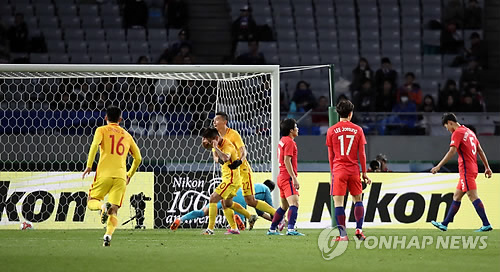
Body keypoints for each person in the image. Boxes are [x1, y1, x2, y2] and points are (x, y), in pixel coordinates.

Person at [82, 106, 142, 246]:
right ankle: (108, 236)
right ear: (120, 119)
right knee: (113, 210)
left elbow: (94, 145)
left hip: (104, 174)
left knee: (92, 201)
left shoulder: (101, 130)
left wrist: (89, 165)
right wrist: (129, 174)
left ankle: (102, 206)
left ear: (105, 118)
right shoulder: (127, 135)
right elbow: (138, 158)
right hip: (121, 177)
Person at [430, 113, 493, 232]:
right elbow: (480, 150)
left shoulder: (457, 133)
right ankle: (444, 224)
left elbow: (452, 151)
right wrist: (487, 167)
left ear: (450, 122)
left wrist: (438, 166)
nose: (447, 130)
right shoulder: (469, 132)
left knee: (472, 196)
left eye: (446, 127)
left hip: (466, 170)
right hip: (472, 168)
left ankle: (486, 224)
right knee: (457, 196)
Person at [212, 112, 275, 229]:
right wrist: (219, 160)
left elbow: (243, 151)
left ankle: (277, 216)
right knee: (225, 202)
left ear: (224, 122)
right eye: (214, 120)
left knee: (250, 201)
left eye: (217, 120)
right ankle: (235, 227)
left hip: (243, 171)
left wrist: (240, 161)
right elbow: (214, 155)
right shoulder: (215, 137)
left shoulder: (233, 134)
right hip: (230, 174)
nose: (214, 122)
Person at [326, 99, 371, 241]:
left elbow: (331, 155)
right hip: (353, 170)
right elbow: (362, 154)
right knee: (358, 200)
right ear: (351, 114)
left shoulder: (331, 130)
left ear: (338, 113)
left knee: (338, 203)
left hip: (339, 169)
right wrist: (364, 173)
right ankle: (359, 229)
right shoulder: (358, 129)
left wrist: (333, 173)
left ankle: (343, 235)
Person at [200, 127, 252, 235]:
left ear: (216, 138)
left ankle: (210, 229)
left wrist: (215, 148)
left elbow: (225, 158)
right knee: (226, 203)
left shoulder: (227, 145)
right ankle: (247, 218)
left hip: (231, 179)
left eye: (210, 141)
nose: (209, 143)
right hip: (230, 178)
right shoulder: (217, 143)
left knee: (213, 198)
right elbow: (215, 155)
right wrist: (212, 149)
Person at [170, 181, 276, 231]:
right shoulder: (266, 190)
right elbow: (271, 212)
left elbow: (260, 213)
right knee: (240, 229)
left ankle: (180, 219)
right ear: (270, 190)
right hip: (241, 199)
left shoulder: (255, 185)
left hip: (229, 192)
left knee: (203, 212)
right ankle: (237, 221)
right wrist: (277, 222)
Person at [267, 119, 304, 236]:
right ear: (291, 130)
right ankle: (291, 229)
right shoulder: (289, 142)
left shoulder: (282, 140)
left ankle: (272, 229)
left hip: (281, 177)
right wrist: (294, 177)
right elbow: (287, 160)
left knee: (284, 206)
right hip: (287, 177)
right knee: (295, 204)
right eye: (296, 127)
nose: (297, 129)